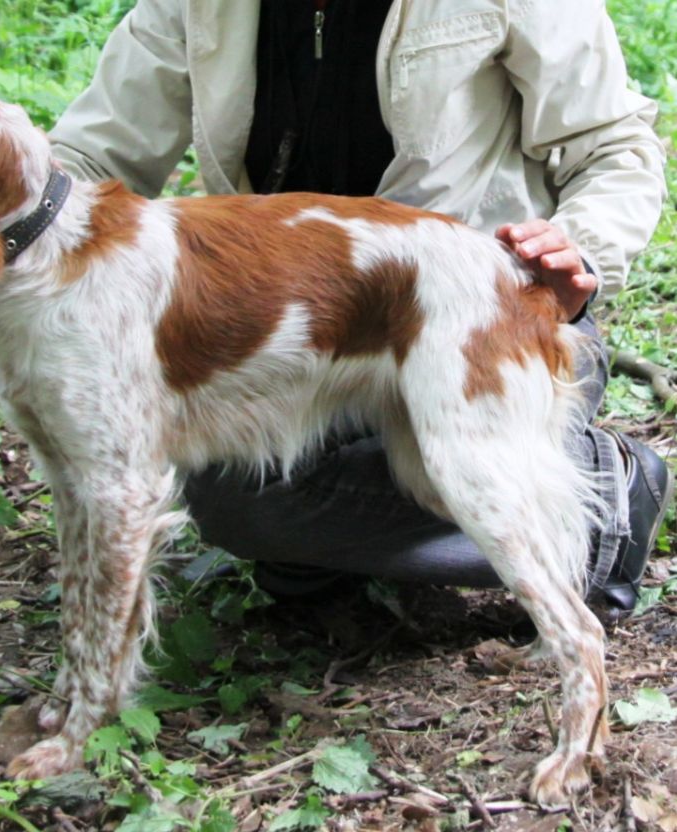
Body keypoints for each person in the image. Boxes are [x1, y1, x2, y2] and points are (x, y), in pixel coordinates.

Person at [48, 0, 673, 611]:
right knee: (231, 486)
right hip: (299, 341)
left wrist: (581, 250)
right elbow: (89, 161)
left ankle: (607, 501)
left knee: (278, 503)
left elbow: (615, 148)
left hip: (484, 328)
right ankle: (341, 538)